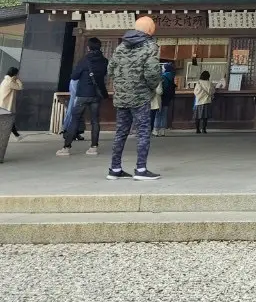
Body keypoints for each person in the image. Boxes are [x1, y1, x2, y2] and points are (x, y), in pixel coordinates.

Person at [106, 16, 162, 180]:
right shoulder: (150, 47)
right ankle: (141, 169)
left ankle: (115, 169)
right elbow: (152, 72)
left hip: (121, 96)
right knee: (143, 132)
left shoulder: (121, 46)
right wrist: (151, 88)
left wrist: (121, 84)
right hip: (140, 96)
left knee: (121, 132)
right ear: (150, 30)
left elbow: (110, 69)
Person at [57, 37, 108, 157]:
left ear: (88, 47)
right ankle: (94, 147)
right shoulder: (104, 61)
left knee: (75, 119)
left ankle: (66, 147)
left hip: (82, 94)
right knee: (95, 121)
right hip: (96, 94)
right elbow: (104, 75)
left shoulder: (84, 60)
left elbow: (74, 76)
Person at [0, 67, 23, 140]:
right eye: (17, 74)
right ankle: (17, 136)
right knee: (9, 122)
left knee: (8, 121)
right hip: (5, 106)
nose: (18, 75)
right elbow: (20, 87)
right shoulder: (10, 82)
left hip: (3, 104)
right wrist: (17, 79)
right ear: (14, 74)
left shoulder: (5, 80)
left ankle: (17, 135)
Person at [156, 63, 176, 135]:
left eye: (163, 68)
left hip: (161, 97)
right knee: (164, 114)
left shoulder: (163, 77)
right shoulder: (172, 76)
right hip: (168, 98)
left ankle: (156, 130)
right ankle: (163, 130)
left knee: (158, 114)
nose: (162, 69)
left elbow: (160, 88)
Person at [193, 71, 215, 135]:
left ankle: (197, 129)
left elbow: (195, 92)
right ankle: (204, 129)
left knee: (197, 116)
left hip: (199, 101)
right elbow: (212, 91)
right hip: (207, 101)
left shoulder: (198, 83)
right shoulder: (209, 83)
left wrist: (199, 95)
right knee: (205, 117)